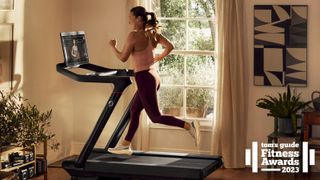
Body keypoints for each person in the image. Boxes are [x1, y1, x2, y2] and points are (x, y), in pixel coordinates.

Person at [108, 6, 200, 155]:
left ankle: (189, 126)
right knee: (135, 110)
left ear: (139, 18)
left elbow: (123, 57)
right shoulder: (153, 33)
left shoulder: (133, 36)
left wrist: (113, 47)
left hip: (144, 78)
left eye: (131, 18)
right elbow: (170, 46)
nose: (129, 21)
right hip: (153, 76)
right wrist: (158, 57)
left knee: (155, 117)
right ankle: (125, 144)